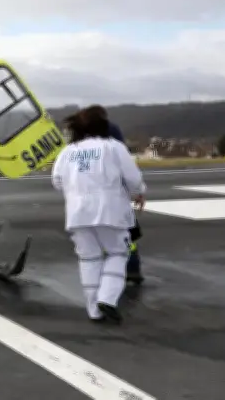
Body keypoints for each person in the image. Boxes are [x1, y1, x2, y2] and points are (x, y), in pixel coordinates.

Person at [51, 107, 146, 324]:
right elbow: (132, 177)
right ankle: (107, 299)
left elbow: (57, 180)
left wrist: (76, 189)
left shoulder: (68, 151)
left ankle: (94, 309)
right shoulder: (113, 147)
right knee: (117, 253)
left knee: (89, 259)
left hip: (77, 214)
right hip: (110, 211)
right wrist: (139, 193)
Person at [85, 104, 144, 284]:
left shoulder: (82, 137)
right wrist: (138, 192)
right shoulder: (114, 135)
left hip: (92, 195)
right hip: (115, 194)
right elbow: (125, 165)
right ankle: (131, 270)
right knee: (126, 236)